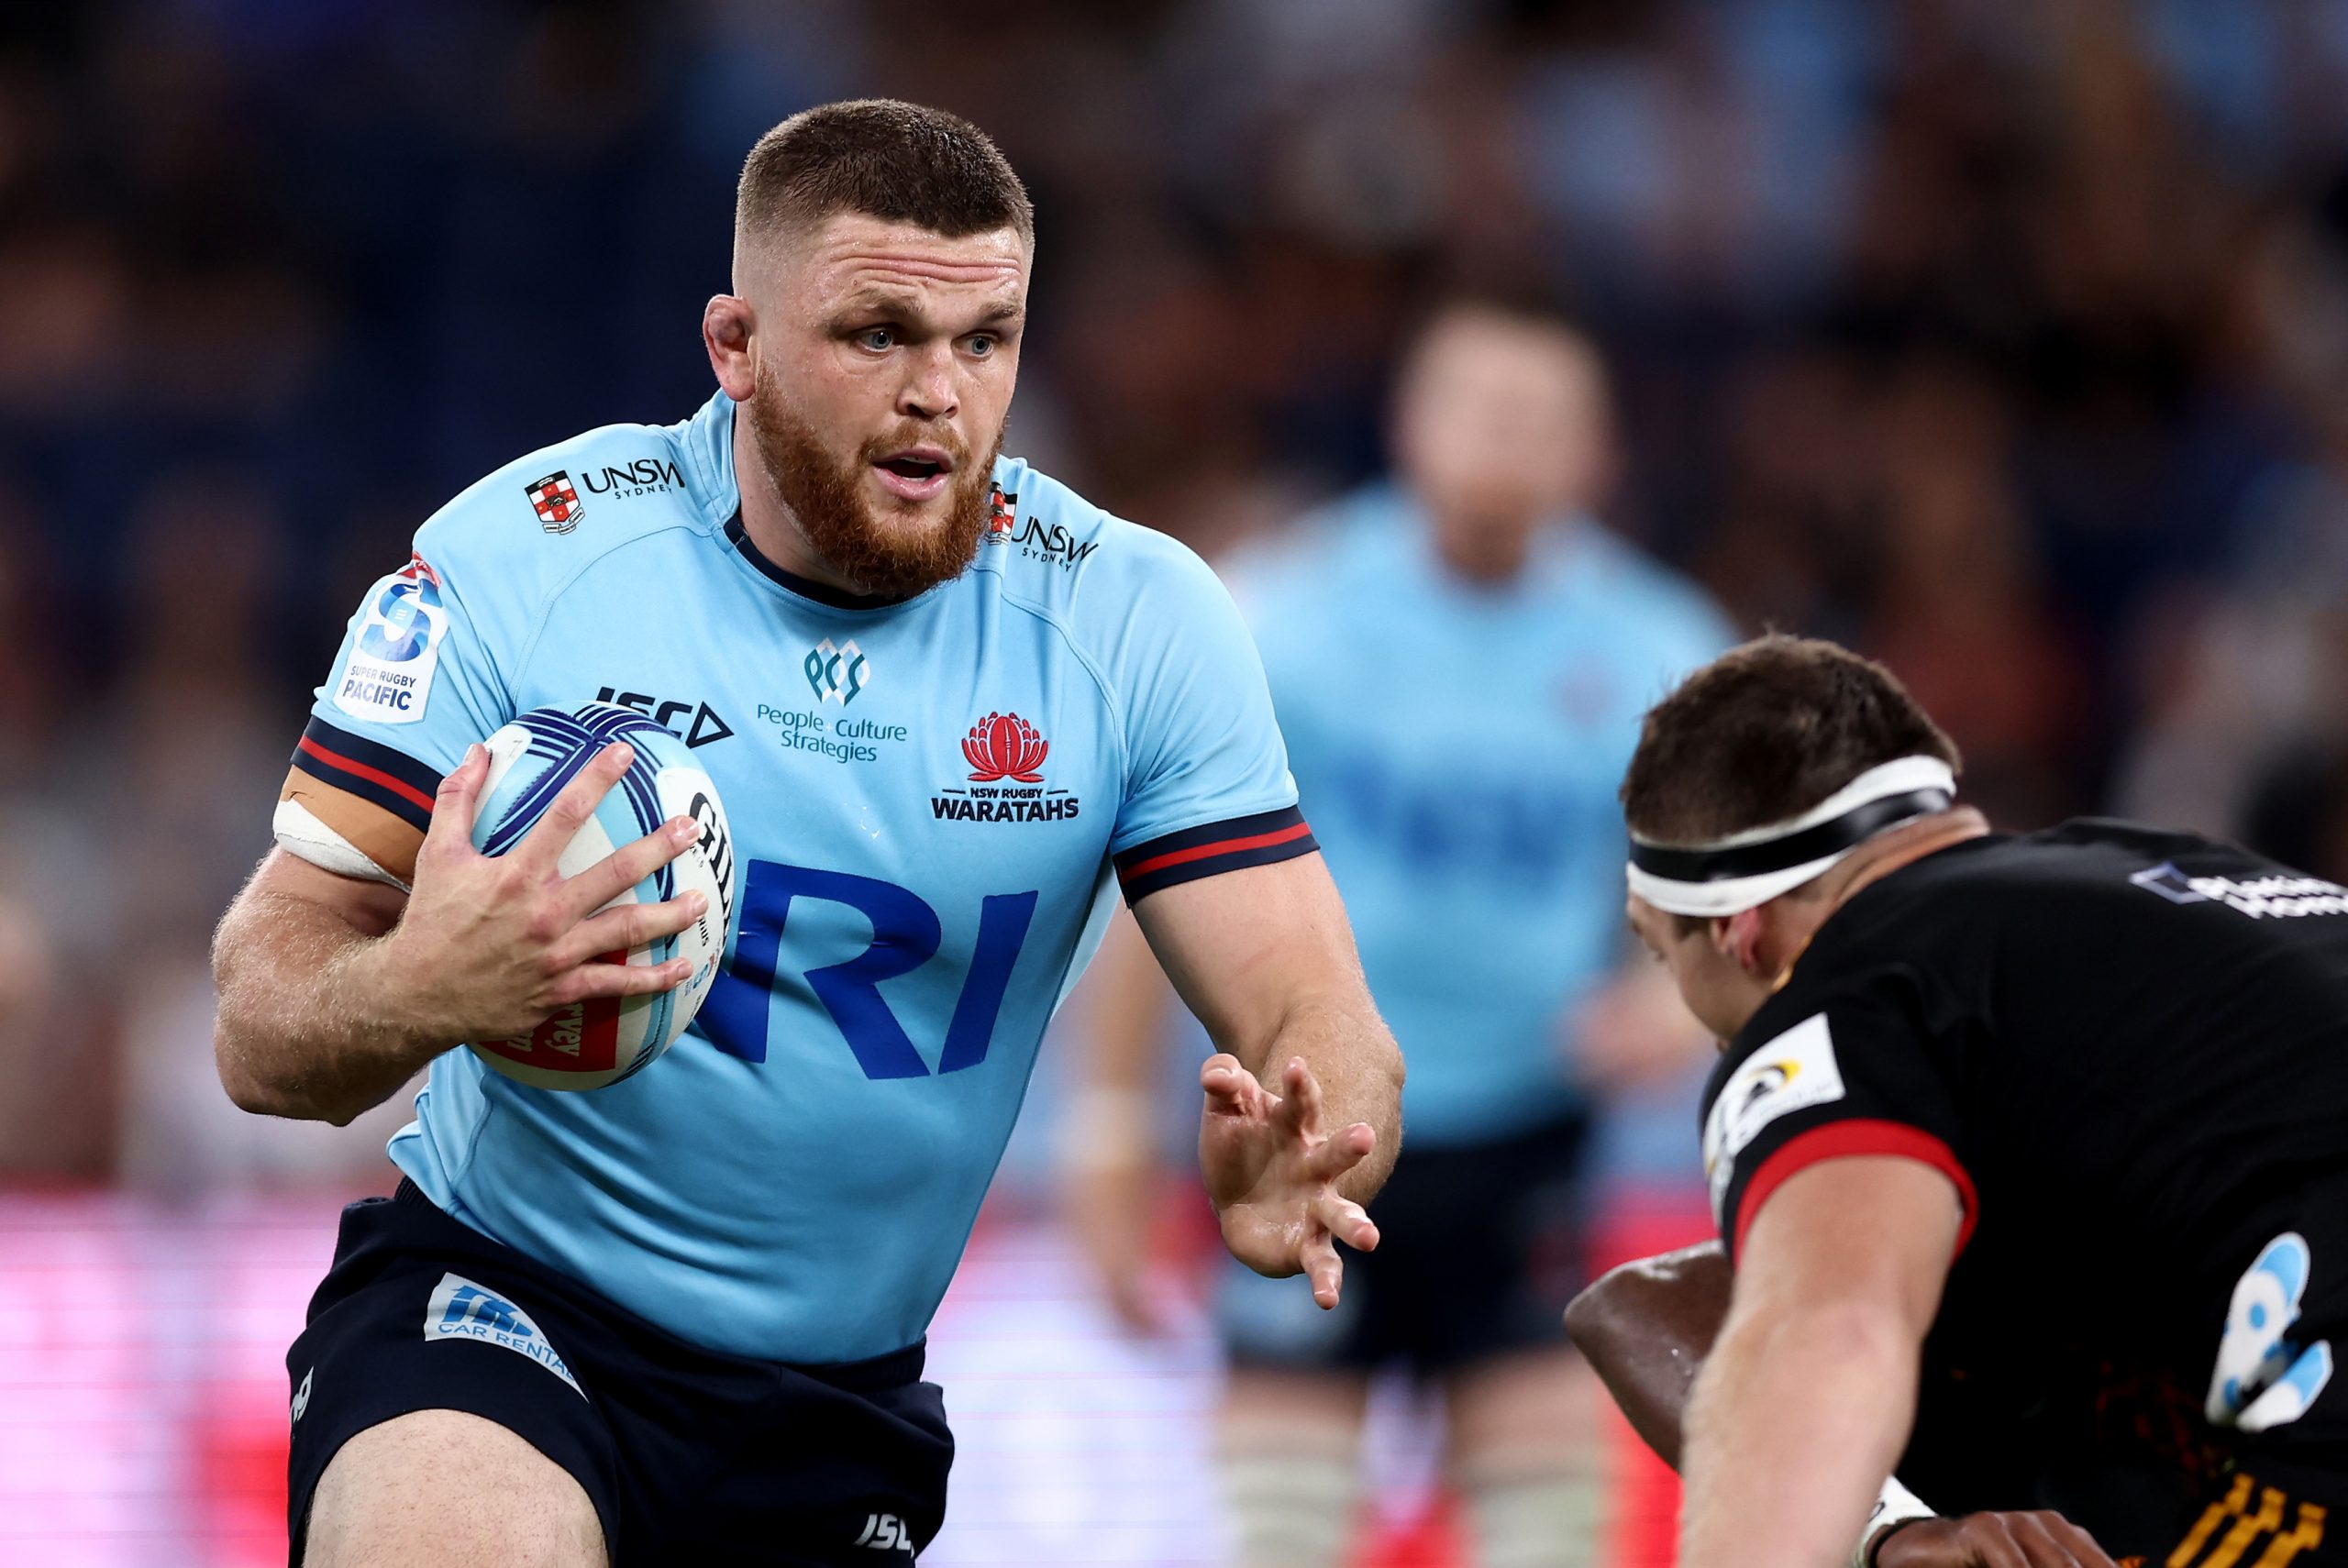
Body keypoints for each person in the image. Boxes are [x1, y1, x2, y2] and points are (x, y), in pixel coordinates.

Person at [209, 99, 1405, 1568]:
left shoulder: (1133, 622)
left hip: (835, 1410)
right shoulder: (530, 560)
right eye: (876, 334)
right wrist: (419, 990)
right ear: (737, 348)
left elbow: (1319, 1012)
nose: (938, 395)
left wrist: (1314, 1143)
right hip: (502, 1307)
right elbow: (257, 1028)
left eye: (985, 341)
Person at [1066, 295, 1729, 1568]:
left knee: (1552, 1535)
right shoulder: (1278, 617)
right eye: (1479, 406)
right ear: (1407, 424)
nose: (1505, 440)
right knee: (1285, 1534)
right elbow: (1159, 881)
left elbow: (1745, 886)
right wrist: (1105, 1129)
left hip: (1526, 1126)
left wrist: (1675, 1000)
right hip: (1305, 1123)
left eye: (1541, 419)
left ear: (1600, 456)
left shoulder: (1664, 649)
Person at [1590, 634, 2348, 1568]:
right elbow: (1642, 1306)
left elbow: (1822, 1334)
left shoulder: (1851, 994)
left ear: (1737, 932)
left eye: (1665, 957)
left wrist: (1860, 1535)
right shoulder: (2160, 874)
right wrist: (1903, 1526)